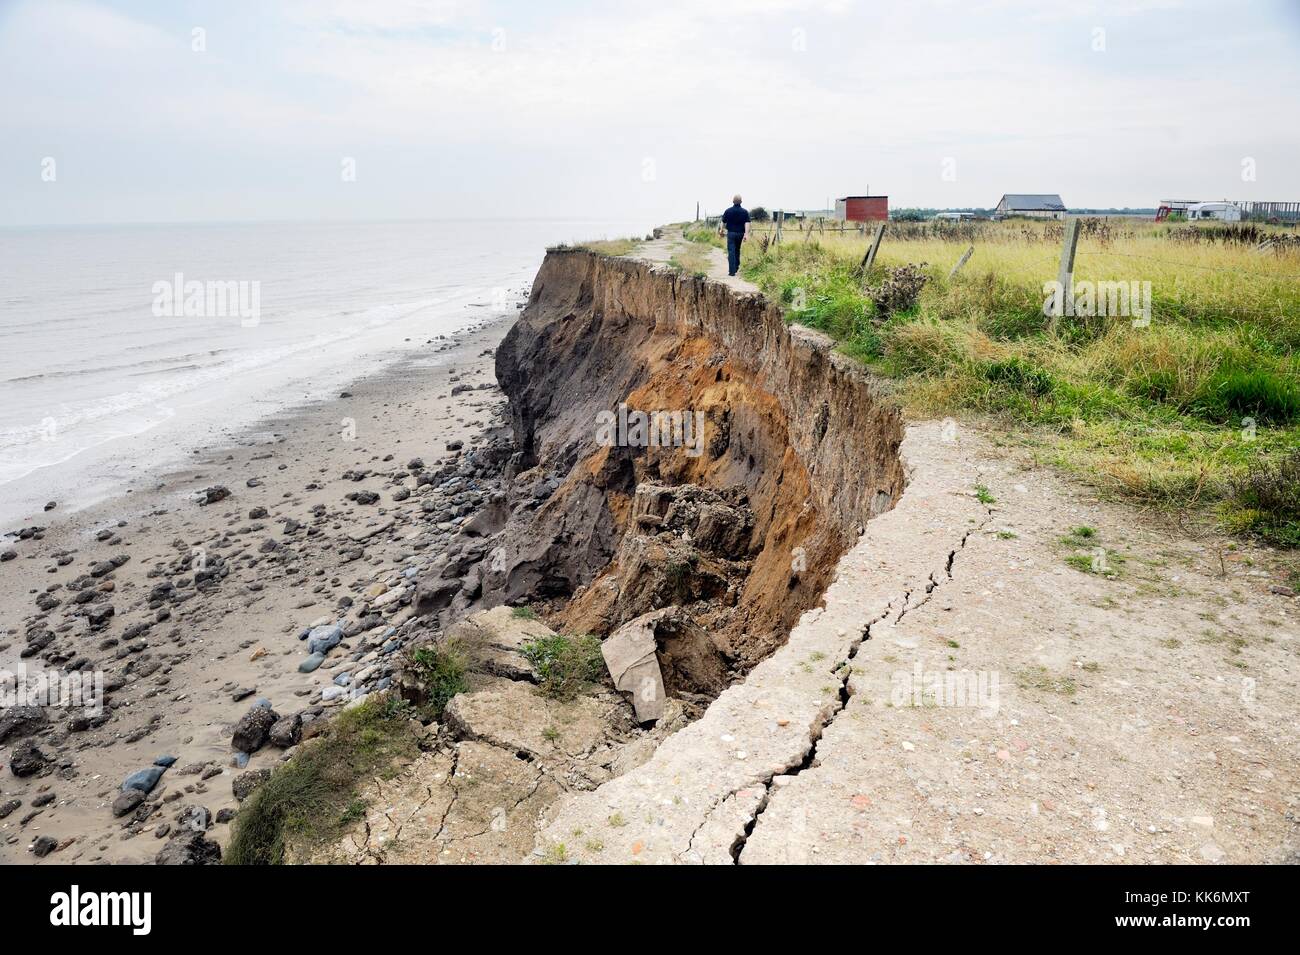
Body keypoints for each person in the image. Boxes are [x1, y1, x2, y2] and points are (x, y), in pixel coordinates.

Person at [719, 194, 750, 276]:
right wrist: (746, 234)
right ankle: (736, 266)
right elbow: (747, 223)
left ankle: (732, 271)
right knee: (737, 250)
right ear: (741, 202)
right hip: (740, 234)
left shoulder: (728, 211)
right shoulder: (745, 212)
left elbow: (723, 222)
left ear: (733, 201)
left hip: (731, 234)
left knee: (731, 251)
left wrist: (721, 230)